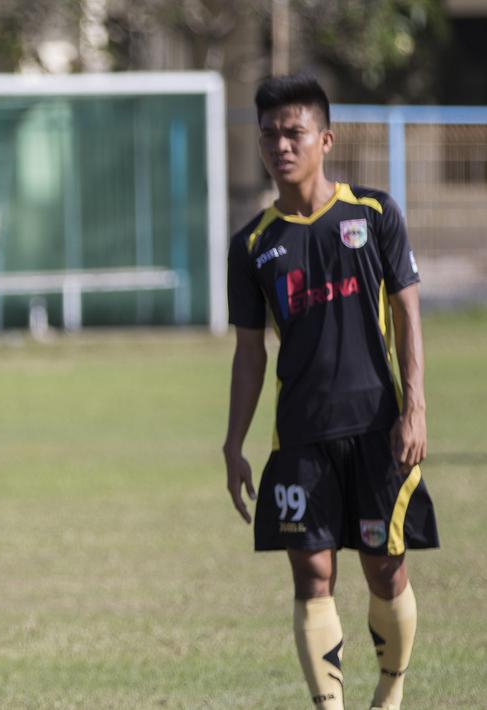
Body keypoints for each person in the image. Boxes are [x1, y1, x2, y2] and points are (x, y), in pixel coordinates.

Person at [223, 75, 438, 710]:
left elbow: (408, 314)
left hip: (377, 426)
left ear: (325, 138)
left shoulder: (373, 215)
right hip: (301, 436)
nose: (280, 145)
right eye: (269, 135)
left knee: (385, 569)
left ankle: (390, 692)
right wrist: (233, 443)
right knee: (312, 575)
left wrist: (416, 407)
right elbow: (248, 353)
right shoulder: (253, 246)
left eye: (293, 132)